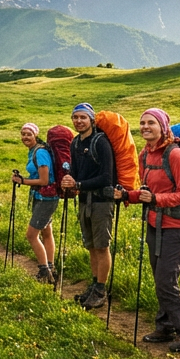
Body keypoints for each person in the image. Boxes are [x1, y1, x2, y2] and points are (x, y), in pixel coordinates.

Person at [116, 108, 180, 352]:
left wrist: (154, 199)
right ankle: (165, 326)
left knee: (166, 281)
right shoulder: (145, 154)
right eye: (142, 123)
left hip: (177, 225)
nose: (145, 127)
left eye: (151, 122)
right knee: (159, 277)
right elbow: (145, 192)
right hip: (154, 223)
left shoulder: (175, 155)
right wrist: (125, 195)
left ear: (163, 126)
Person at [60, 103, 115, 309]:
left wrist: (78, 184)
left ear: (91, 120)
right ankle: (94, 286)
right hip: (84, 200)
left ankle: (101, 290)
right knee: (91, 246)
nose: (78, 121)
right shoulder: (75, 143)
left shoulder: (101, 142)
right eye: (75, 118)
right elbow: (75, 170)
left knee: (101, 246)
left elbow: (107, 177)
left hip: (101, 201)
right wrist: (69, 180)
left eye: (83, 117)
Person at [12, 122, 58, 282]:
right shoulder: (34, 151)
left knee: (31, 235)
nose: (25, 137)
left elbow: (44, 180)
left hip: (46, 199)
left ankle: (44, 271)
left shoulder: (40, 153)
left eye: (29, 134)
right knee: (46, 232)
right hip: (41, 197)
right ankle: (51, 267)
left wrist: (22, 181)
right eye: (23, 134)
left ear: (35, 135)